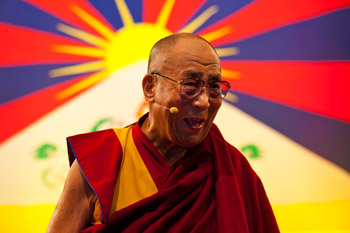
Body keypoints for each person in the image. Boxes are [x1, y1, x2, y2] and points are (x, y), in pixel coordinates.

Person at [47, 33, 280, 233]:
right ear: (150, 88)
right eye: (190, 84)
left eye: (214, 87)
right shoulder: (100, 159)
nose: (204, 102)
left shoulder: (232, 170)